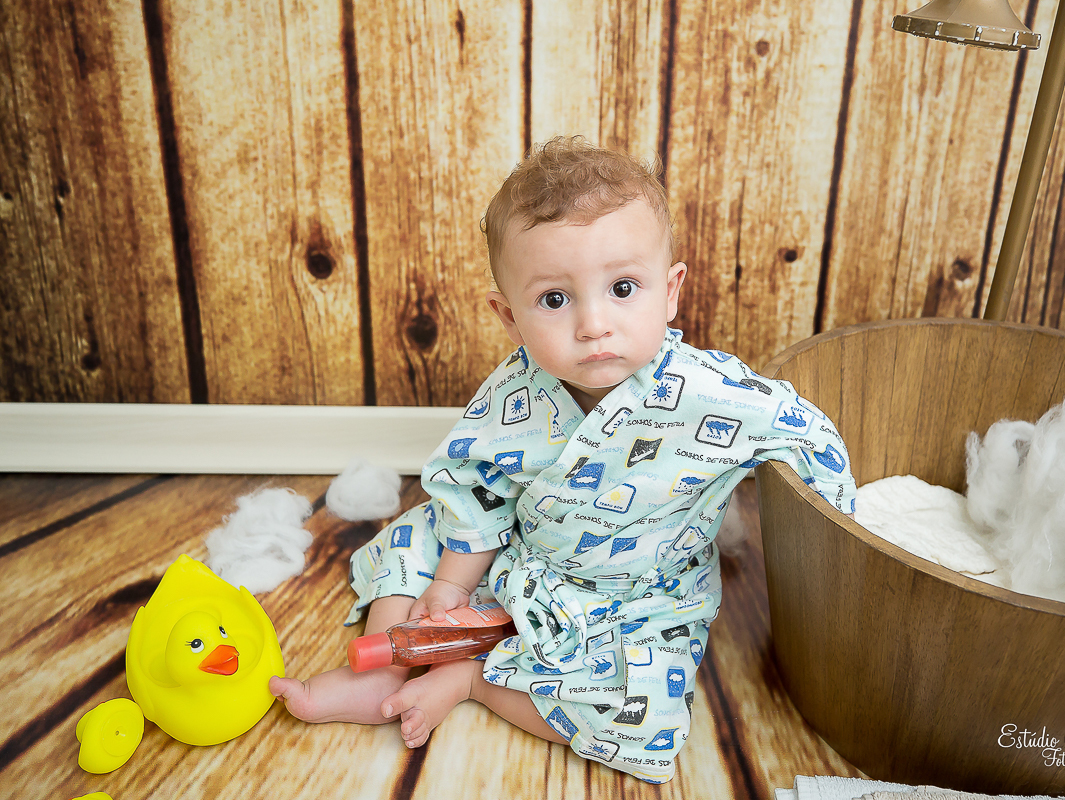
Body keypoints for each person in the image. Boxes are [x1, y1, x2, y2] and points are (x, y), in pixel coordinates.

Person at [270, 136, 855, 783]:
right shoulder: (516, 394)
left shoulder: (712, 394)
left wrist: (842, 531)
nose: (593, 323)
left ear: (671, 291)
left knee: (644, 718)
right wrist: (451, 587)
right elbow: (478, 491)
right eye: (555, 299)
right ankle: (384, 672)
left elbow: (806, 432)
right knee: (417, 539)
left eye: (623, 287)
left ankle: (471, 682)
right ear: (510, 317)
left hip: (638, 595)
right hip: (521, 553)